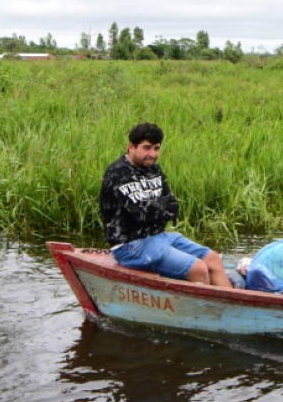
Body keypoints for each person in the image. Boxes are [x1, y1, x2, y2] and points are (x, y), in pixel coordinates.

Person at [99, 122, 232, 288]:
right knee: (198, 269)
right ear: (131, 147)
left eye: (156, 148)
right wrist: (160, 206)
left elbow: (173, 208)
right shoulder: (118, 173)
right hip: (131, 246)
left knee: (213, 259)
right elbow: (143, 214)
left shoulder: (154, 170)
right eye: (146, 148)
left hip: (160, 237)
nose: (152, 154)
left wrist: (155, 207)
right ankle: (203, 305)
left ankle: (230, 303)